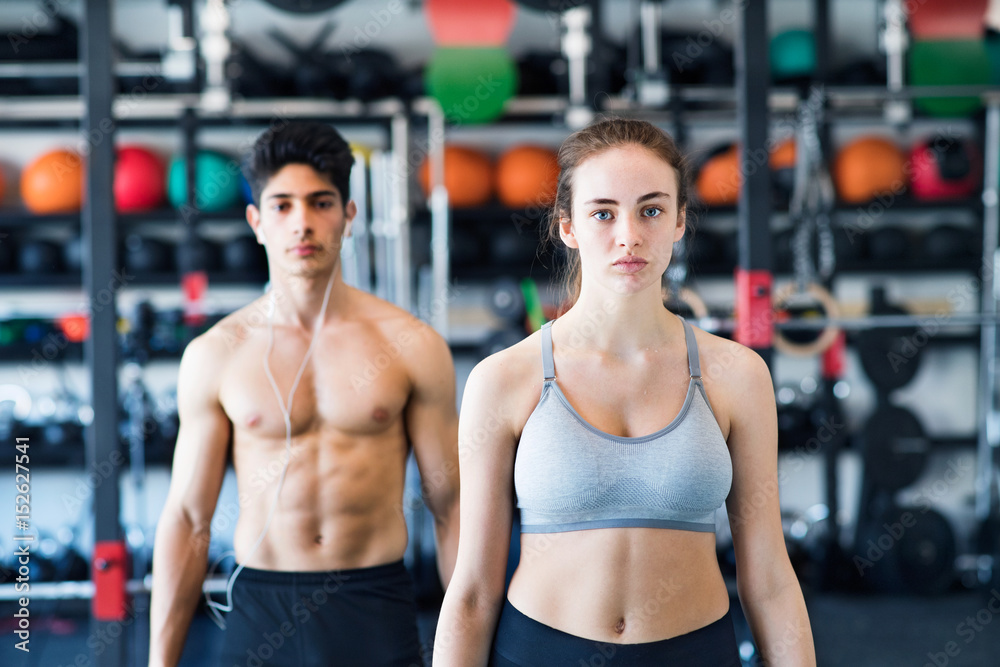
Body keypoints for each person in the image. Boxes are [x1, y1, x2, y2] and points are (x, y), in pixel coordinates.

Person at [433, 118, 815, 666]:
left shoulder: (737, 374)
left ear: (681, 221)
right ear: (567, 225)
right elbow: (471, 591)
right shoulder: (503, 379)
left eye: (652, 210)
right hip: (540, 650)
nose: (628, 235)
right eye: (603, 212)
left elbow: (771, 579)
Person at [149, 121, 460, 667]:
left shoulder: (411, 345)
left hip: (373, 606)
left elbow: (451, 506)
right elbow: (188, 520)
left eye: (321, 203)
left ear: (349, 215)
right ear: (257, 221)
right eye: (283, 206)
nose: (303, 223)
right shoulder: (215, 353)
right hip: (261, 608)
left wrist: (469, 652)